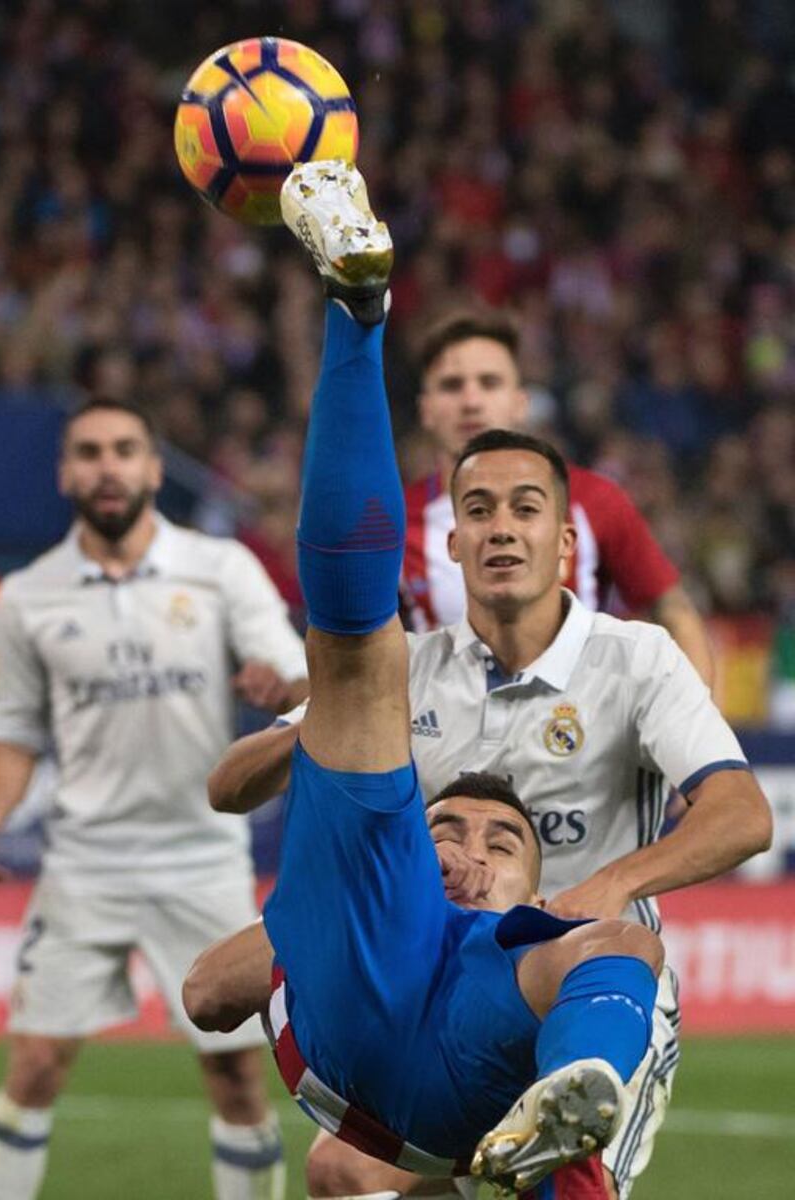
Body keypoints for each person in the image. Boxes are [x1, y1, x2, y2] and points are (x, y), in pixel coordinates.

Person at [189, 160, 771, 1200]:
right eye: (480, 513)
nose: (501, 528)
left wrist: (612, 885)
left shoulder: (629, 658)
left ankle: (559, 1113)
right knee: (351, 641)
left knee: (501, 1147)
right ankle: (355, 306)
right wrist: (313, 730)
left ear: (564, 541)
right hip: (427, 974)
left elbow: (738, 815)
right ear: (449, 544)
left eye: (526, 511)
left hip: (568, 983)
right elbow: (228, 787)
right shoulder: (410, 663)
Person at [0, 397, 309, 1200]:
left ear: (152, 468)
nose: (108, 467)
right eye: (91, 452)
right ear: (65, 473)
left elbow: (299, 676)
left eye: (125, 449)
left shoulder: (219, 567)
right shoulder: (29, 596)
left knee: (239, 1079)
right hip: (83, 863)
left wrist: (280, 683)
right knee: (31, 1063)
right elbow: (14, 740)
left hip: (200, 860)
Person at [402, 310, 715, 689]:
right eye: (452, 385)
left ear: (520, 402)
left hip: (575, 737)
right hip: (444, 741)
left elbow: (675, 611)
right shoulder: (394, 521)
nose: (471, 401)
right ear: (426, 410)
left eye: (489, 383)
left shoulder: (594, 500)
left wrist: (699, 729)